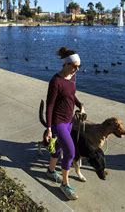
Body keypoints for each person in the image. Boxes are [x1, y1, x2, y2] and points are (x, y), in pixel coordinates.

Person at [45, 46, 85, 200]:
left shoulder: (72, 78)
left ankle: (50, 171)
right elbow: (49, 105)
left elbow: (71, 95)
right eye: (75, 66)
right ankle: (64, 184)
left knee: (58, 148)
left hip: (69, 121)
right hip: (58, 122)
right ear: (66, 64)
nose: (77, 70)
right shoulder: (56, 81)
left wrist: (80, 105)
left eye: (79, 67)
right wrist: (49, 127)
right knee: (70, 152)